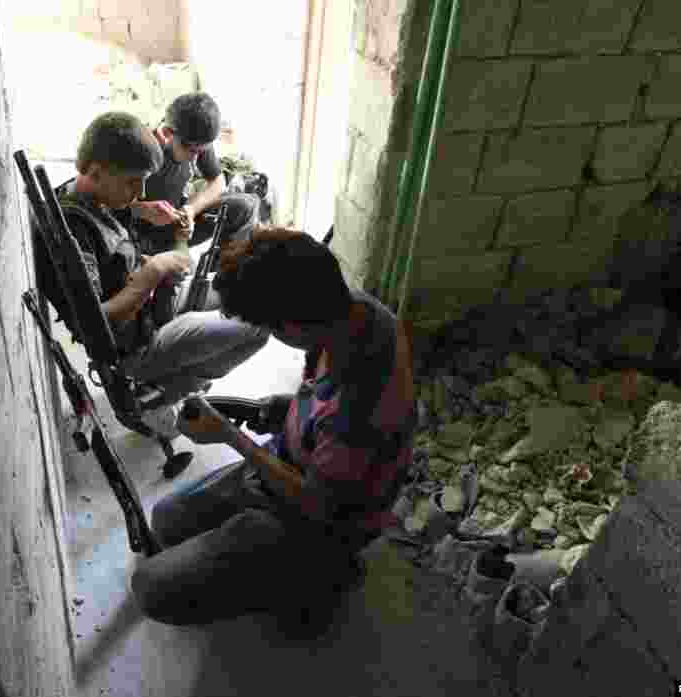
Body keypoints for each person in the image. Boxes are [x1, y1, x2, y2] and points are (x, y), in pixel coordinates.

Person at [129, 226, 417, 638]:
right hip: (295, 463)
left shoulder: (360, 405)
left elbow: (320, 502)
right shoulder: (348, 310)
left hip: (326, 517)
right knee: (166, 522)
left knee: (153, 591)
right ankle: (265, 547)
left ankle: (324, 576)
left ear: (293, 326)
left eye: (269, 327)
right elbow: (318, 401)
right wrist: (273, 410)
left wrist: (232, 438)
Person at [54, 111, 269, 435]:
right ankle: (166, 392)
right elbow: (95, 323)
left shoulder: (83, 195)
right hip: (138, 344)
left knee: (240, 297)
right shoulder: (73, 230)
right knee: (259, 328)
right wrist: (154, 269)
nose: (140, 193)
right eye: (132, 182)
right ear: (96, 172)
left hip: (155, 305)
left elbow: (118, 254)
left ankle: (172, 379)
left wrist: (140, 213)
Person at [125, 92, 259, 259]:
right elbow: (103, 204)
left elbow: (218, 181)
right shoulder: (141, 148)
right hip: (138, 235)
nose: (196, 158)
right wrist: (144, 211)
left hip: (176, 227)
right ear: (167, 133)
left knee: (245, 206)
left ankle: (226, 274)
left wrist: (191, 209)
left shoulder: (196, 138)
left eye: (202, 151)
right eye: (193, 151)